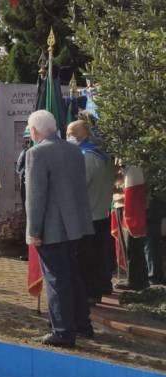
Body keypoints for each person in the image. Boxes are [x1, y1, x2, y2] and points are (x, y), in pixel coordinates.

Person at [26, 109, 94, 348]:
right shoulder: (74, 150)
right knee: (72, 275)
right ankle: (82, 324)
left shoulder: (36, 153)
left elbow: (36, 197)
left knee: (57, 279)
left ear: (34, 131)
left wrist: (33, 231)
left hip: (51, 227)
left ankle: (63, 332)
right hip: (75, 225)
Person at [66, 120, 115, 301]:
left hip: (88, 215)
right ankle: (100, 287)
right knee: (99, 255)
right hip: (101, 212)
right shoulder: (103, 155)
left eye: (71, 132)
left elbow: (79, 186)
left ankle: (89, 293)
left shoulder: (86, 156)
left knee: (87, 259)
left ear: (82, 133)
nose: (68, 136)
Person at [149, 188, 165, 286]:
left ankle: (154, 276)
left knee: (151, 245)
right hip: (157, 204)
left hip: (152, 207)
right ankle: (157, 275)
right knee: (155, 244)